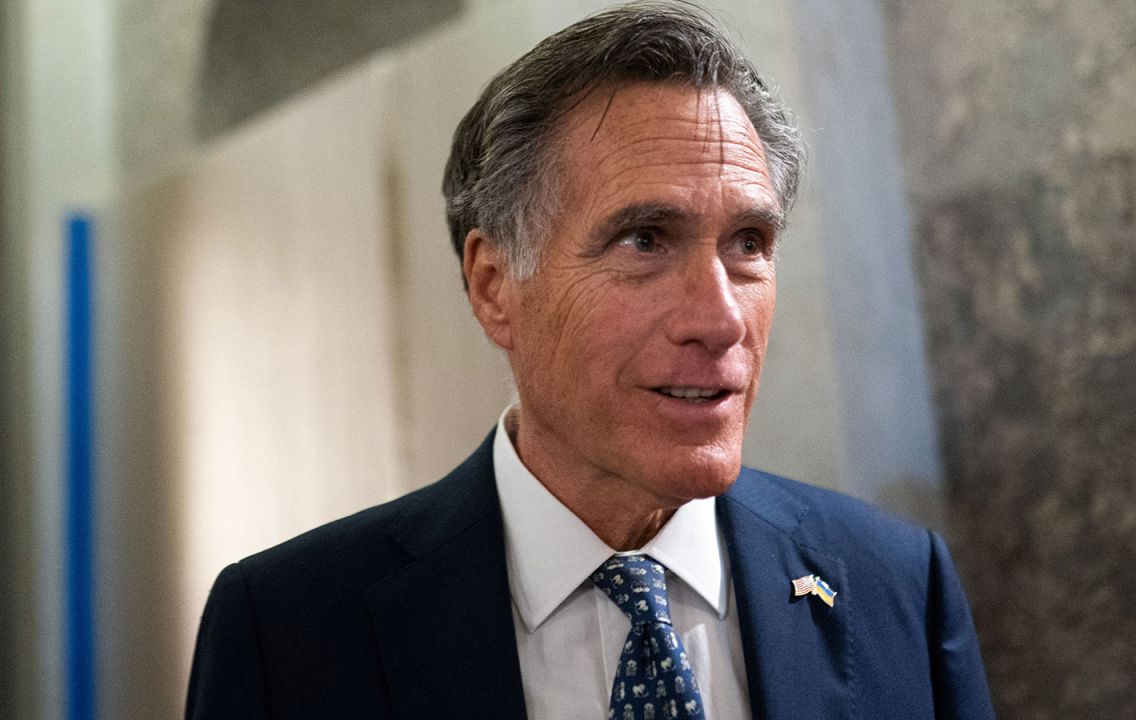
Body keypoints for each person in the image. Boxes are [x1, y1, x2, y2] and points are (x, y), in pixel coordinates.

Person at [185, 3, 996, 718]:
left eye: (749, 244)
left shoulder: (894, 584)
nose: (720, 320)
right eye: (645, 240)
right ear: (495, 286)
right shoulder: (290, 629)